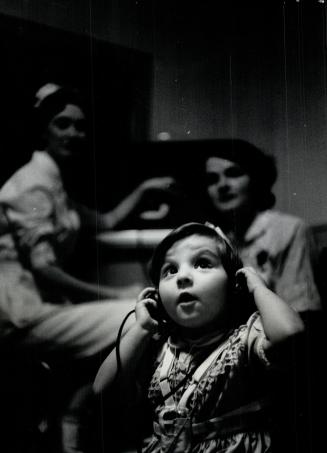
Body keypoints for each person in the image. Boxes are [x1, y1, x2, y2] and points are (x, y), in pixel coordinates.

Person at [0, 83, 175, 452]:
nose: (74, 134)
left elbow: (105, 221)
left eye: (80, 126)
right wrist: (115, 293)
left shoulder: (52, 182)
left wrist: (144, 190)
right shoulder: (31, 185)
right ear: (41, 129)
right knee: (137, 315)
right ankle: (100, 423)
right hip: (20, 314)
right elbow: (43, 267)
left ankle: (74, 419)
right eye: (62, 124)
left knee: (133, 322)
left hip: (45, 309)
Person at [94, 222, 304, 452]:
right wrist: (142, 327)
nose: (182, 276)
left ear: (235, 283)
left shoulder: (245, 337)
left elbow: (290, 333)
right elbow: (101, 389)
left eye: (202, 263)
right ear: (156, 295)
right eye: (170, 270)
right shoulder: (159, 346)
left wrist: (258, 289)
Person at [198, 138, 321, 315]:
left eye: (234, 173)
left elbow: (302, 311)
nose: (222, 185)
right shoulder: (214, 237)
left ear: (256, 179)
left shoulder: (289, 229)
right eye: (212, 179)